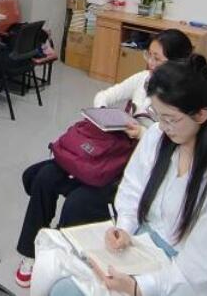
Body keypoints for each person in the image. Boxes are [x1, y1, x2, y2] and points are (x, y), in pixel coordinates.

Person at [33, 55, 207, 296]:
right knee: (59, 275)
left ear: (201, 115)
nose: (164, 126)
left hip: (177, 276)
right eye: (159, 116)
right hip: (140, 247)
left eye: (171, 119)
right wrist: (124, 229)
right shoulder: (159, 136)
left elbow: (199, 271)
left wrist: (139, 287)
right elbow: (133, 188)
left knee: (67, 290)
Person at [14, 29, 193, 288]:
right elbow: (105, 95)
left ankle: (64, 259)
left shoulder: (181, 103)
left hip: (127, 173)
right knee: (44, 176)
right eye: (149, 56)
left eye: (158, 59)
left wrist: (142, 134)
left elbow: (170, 149)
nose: (151, 64)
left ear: (177, 63)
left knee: (78, 203)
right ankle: (31, 254)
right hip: (108, 155)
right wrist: (106, 116)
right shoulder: (144, 80)